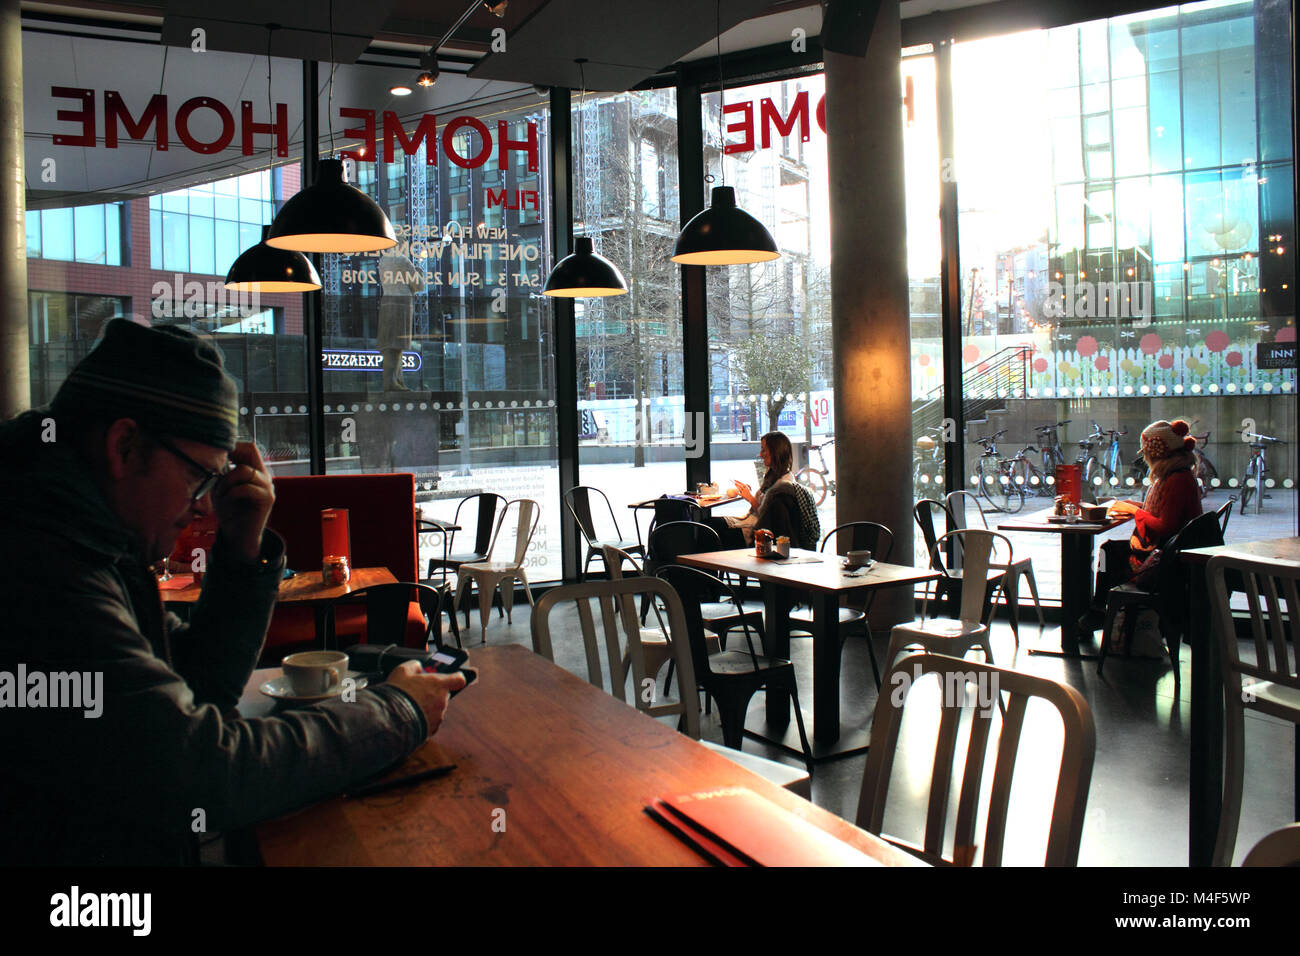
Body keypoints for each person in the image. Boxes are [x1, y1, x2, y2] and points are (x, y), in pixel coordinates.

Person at [0, 320, 465, 865]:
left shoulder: (91, 543)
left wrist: (243, 552)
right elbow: (201, 773)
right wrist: (397, 711)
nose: (205, 508)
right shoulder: (41, 568)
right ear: (124, 446)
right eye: (201, 478)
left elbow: (195, 688)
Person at [1078, 419, 1203, 636]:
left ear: (1155, 452)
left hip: (1164, 563)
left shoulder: (1176, 480)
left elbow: (1166, 526)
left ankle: (1099, 611)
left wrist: (1137, 512)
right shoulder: (1177, 474)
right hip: (1170, 554)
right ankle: (1101, 611)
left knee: (1108, 554)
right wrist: (1136, 507)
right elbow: (1165, 514)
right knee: (1109, 551)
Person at [712, 431, 818, 550]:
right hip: (750, 523)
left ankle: (702, 567)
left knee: (709, 530)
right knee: (708, 525)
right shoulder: (772, 476)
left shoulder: (783, 486)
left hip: (756, 533)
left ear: (775, 452)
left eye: (764, 450)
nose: (761, 454)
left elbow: (768, 518)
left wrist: (750, 498)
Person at [377, 251, 426, 391]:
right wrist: (419, 272)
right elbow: (419, 285)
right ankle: (392, 382)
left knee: (391, 346)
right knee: (396, 345)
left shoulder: (383, 261)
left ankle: (396, 381)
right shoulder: (402, 260)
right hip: (401, 304)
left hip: (387, 301)